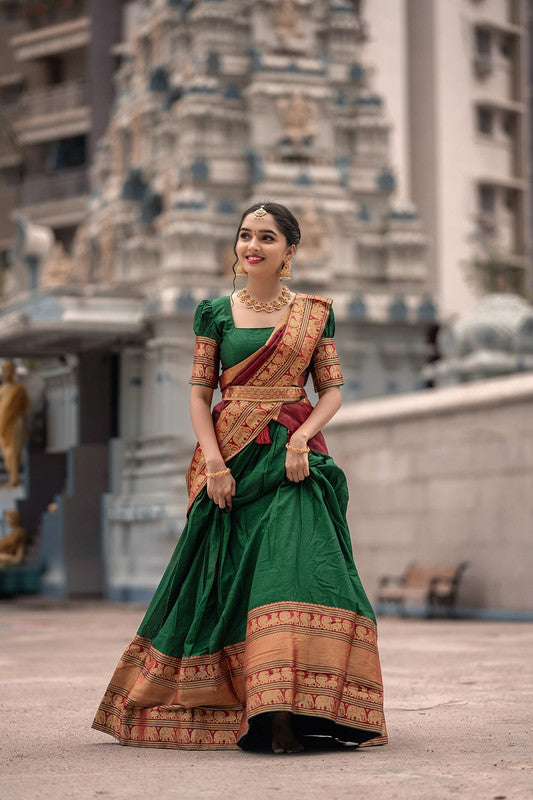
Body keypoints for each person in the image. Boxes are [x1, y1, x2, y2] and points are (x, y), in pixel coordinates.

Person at [92, 202, 387, 754]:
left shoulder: (315, 312)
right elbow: (200, 397)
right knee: (228, 581)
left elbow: (333, 392)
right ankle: (239, 704)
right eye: (245, 236)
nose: (252, 246)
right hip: (229, 461)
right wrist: (213, 464)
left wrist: (301, 439)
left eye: (267, 237)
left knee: (295, 571)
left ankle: (286, 710)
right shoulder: (214, 314)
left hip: (294, 461)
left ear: (290, 251)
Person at [0, 361, 29, 488]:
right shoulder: (2, 389)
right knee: (6, 452)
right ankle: (12, 477)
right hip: (3, 423)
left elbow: (25, 406)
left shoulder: (18, 390)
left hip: (15, 422)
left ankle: (14, 478)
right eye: (4, 370)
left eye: (8, 370)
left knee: (14, 452)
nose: (6, 373)